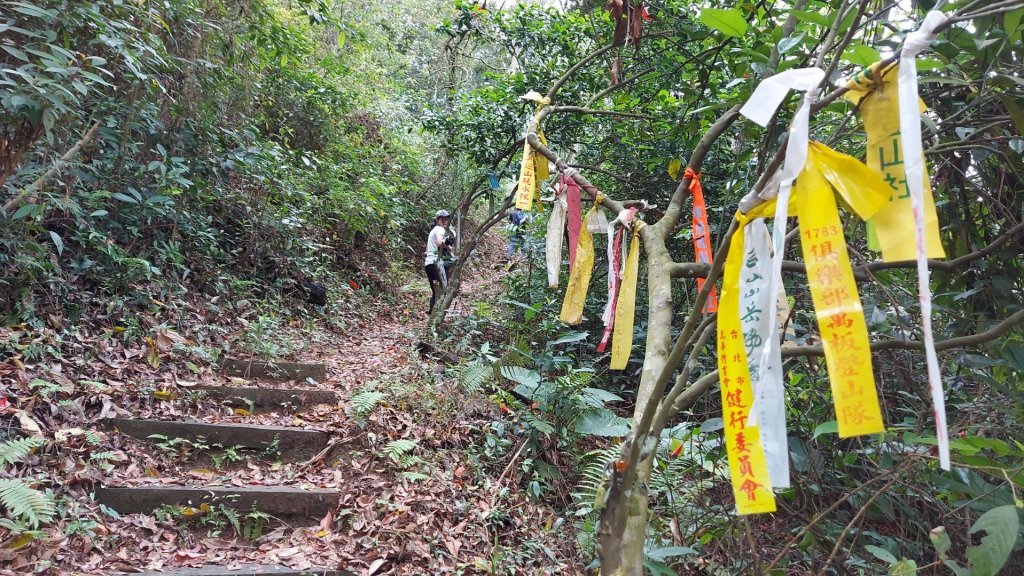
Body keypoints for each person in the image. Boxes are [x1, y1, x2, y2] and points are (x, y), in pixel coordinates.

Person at [424, 209, 455, 315]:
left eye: (447, 218)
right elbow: (439, 242)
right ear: (438, 220)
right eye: (443, 219)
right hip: (435, 263)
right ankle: (439, 314)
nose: (445, 220)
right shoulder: (439, 229)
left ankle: (432, 313)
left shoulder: (433, 231)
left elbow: (428, 249)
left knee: (435, 290)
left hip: (428, 263)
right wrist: (448, 246)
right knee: (443, 288)